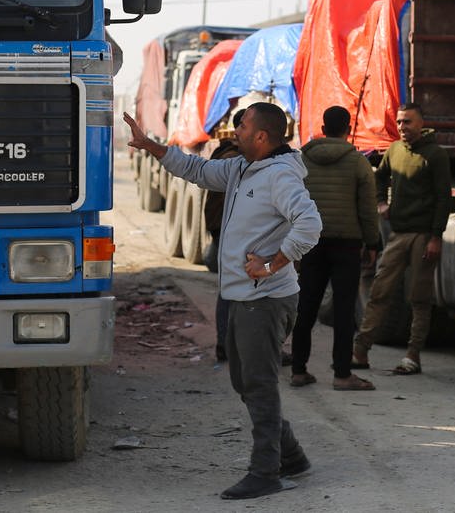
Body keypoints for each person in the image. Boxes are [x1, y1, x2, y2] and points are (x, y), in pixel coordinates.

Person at [124, 102, 320, 500]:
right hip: (238, 297)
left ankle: (266, 472)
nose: (235, 132)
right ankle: (292, 455)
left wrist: (273, 260)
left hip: (264, 300)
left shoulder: (280, 175)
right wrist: (153, 147)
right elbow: (197, 171)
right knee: (242, 380)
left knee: (259, 384)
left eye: (242, 126)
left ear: (262, 136)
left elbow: (310, 223)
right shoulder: (242, 168)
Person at [352, 102, 451, 376]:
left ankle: (412, 356)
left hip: (423, 235)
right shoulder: (394, 150)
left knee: (419, 298)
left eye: (408, 122)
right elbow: (379, 177)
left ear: (421, 124)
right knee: (380, 291)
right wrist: (381, 202)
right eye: (399, 122)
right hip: (398, 234)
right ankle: (360, 351)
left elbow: (444, 198)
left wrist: (435, 237)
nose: (402, 127)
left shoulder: (435, 155)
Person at [291, 106, 380, 391]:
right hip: (347, 244)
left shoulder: (302, 159)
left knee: (306, 307)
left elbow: (290, 200)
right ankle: (342, 375)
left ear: (323, 126)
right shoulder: (357, 162)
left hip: (310, 243)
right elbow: (368, 208)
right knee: (343, 312)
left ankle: (298, 370)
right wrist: (372, 242)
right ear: (348, 128)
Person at [204, 108, 246, 362]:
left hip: (227, 229)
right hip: (231, 230)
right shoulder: (235, 160)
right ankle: (229, 345)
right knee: (234, 290)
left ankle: (227, 344)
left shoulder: (225, 155)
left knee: (231, 289)